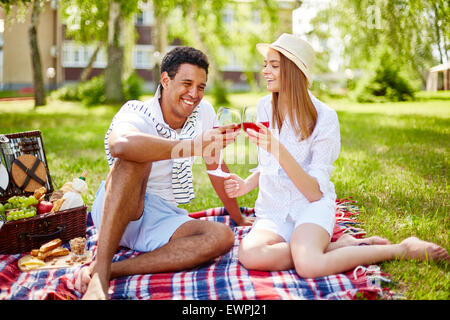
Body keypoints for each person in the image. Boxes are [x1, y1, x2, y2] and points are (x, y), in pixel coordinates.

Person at [224, 33, 449, 277]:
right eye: (265, 64)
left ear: (293, 71)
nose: (266, 71)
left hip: (310, 206)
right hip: (273, 210)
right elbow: (267, 164)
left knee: (309, 266)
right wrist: (247, 184)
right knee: (250, 254)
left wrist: (278, 148)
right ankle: (337, 248)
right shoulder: (263, 106)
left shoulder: (325, 117)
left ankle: (403, 248)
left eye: (274, 65)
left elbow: (314, 192)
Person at [80, 46, 253, 299]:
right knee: (135, 158)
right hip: (123, 206)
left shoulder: (203, 113)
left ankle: (116, 269)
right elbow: (120, 145)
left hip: (164, 217)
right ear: (165, 80)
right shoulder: (138, 112)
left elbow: (216, 167)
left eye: (201, 87)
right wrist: (191, 146)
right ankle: (100, 275)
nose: (194, 94)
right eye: (186, 83)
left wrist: (237, 218)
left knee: (222, 236)